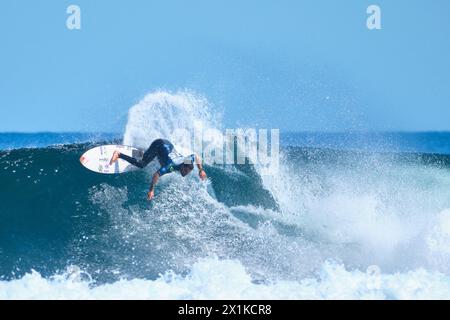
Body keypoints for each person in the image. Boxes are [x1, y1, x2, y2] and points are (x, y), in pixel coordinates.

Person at [110, 138, 207, 200]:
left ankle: (147, 154)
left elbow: (195, 156)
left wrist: (201, 170)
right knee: (142, 164)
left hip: (168, 145)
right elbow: (156, 174)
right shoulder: (170, 165)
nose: (185, 174)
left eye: (188, 172)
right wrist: (151, 190)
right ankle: (118, 154)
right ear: (182, 166)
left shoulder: (187, 161)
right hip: (159, 145)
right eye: (185, 171)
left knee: (159, 160)